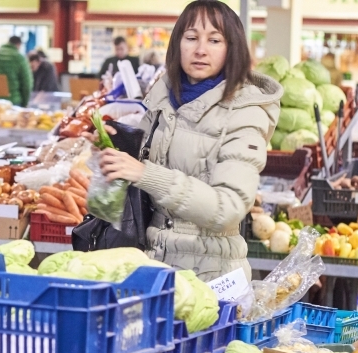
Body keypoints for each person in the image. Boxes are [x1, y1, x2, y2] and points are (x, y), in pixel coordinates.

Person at [92, 0, 281, 281]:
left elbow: (228, 208)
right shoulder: (163, 98)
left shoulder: (246, 112)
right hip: (153, 263)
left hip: (211, 275)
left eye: (214, 40)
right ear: (177, 44)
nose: (200, 49)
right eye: (191, 38)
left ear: (233, 49)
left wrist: (146, 174)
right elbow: (140, 165)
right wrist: (111, 145)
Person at [0, 36, 32, 107]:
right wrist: (25, 103)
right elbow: (27, 84)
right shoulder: (19, 58)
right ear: (19, 45)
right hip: (13, 101)